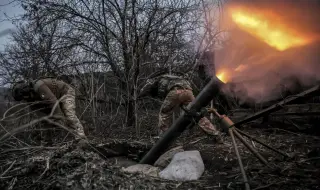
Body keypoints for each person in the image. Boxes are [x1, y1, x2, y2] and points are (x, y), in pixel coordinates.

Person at [139, 74, 220, 136]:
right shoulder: (173, 78)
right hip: (188, 92)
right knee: (197, 114)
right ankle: (214, 133)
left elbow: (161, 91)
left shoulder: (160, 80)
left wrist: (142, 94)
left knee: (164, 113)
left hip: (176, 91)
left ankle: (163, 136)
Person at [11, 78, 86, 139]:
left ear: (25, 90)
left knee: (69, 115)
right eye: (22, 98)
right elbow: (38, 113)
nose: (24, 99)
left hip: (65, 92)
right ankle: (49, 141)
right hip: (53, 99)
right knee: (47, 121)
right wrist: (47, 120)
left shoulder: (39, 86)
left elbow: (53, 103)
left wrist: (60, 119)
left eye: (24, 96)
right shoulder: (29, 98)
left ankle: (81, 137)